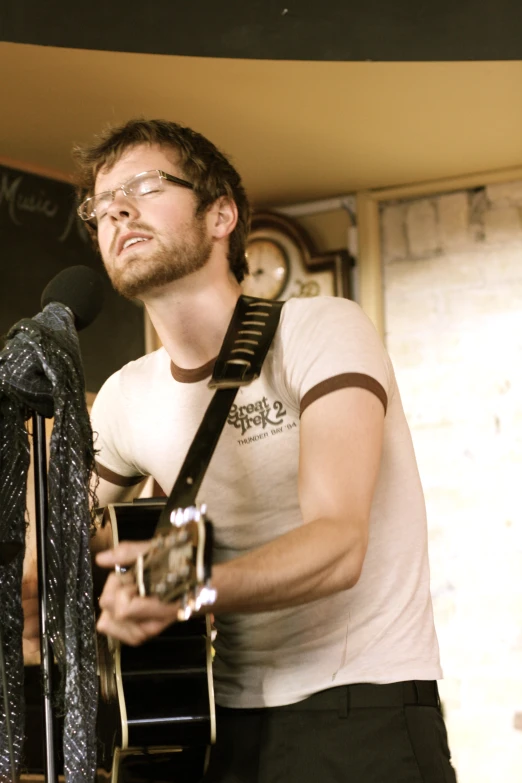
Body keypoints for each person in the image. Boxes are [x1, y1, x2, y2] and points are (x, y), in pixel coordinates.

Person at [29, 118, 457, 782]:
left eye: (145, 185)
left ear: (220, 213)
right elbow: (46, 558)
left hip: (360, 710)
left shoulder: (319, 330)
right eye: (100, 203)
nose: (115, 208)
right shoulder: (125, 397)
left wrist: (177, 588)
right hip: (216, 727)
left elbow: (339, 542)